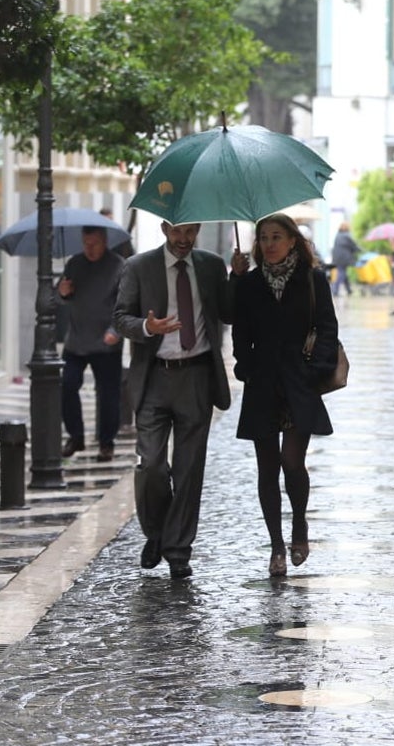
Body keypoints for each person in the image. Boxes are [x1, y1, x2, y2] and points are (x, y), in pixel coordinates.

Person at [113, 221, 249, 579]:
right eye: (177, 232)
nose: (184, 239)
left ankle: (177, 551)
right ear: (163, 229)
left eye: (190, 232)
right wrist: (147, 327)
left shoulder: (210, 265)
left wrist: (236, 277)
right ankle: (157, 533)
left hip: (197, 378)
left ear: (198, 229)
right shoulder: (138, 267)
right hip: (154, 376)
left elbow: (230, 314)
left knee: (189, 472)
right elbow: (120, 318)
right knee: (152, 466)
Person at [233, 214, 338, 578]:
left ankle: (299, 525)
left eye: (277, 237)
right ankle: (276, 546)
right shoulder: (248, 283)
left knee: (292, 461)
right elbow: (236, 326)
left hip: (299, 383)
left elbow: (327, 327)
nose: (270, 244)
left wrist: (317, 369)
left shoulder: (313, 280)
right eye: (263, 238)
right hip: (262, 384)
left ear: (293, 240)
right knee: (267, 468)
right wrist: (244, 366)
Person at [58, 226, 124, 462]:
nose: (90, 249)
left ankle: (106, 442)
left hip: (107, 342)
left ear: (104, 241)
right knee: (67, 384)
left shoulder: (119, 266)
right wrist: (63, 291)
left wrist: (116, 331)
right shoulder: (74, 263)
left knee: (108, 394)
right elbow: (62, 295)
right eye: (86, 243)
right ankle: (75, 436)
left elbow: (125, 304)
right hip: (76, 340)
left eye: (94, 244)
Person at [330, 222, 362, 297]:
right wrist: (361, 250)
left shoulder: (338, 235)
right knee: (342, 272)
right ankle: (335, 290)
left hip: (337, 257)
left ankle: (348, 290)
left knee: (343, 272)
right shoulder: (347, 236)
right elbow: (354, 245)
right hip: (344, 258)